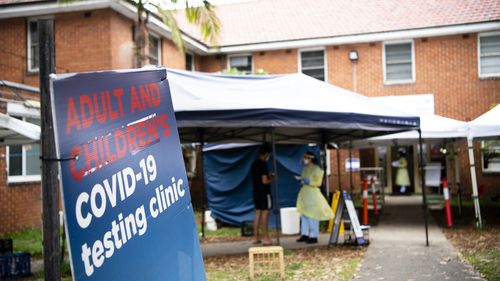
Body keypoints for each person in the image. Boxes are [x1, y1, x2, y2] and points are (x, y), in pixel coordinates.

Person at [296, 151, 333, 244]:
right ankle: (304, 234)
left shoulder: (317, 169)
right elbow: (302, 178)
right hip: (304, 193)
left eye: (306, 158)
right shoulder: (305, 169)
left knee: (313, 214)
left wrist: (308, 181)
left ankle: (313, 236)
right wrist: (301, 181)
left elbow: (318, 182)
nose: (305, 160)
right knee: (304, 214)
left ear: (311, 158)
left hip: (313, 193)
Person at [251, 144, 274, 246]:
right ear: (266, 154)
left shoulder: (254, 163)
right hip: (264, 193)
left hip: (256, 192)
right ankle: (265, 238)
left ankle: (255, 237)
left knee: (257, 214)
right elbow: (264, 181)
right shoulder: (263, 164)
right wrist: (272, 179)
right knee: (265, 214)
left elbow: (258, 178)